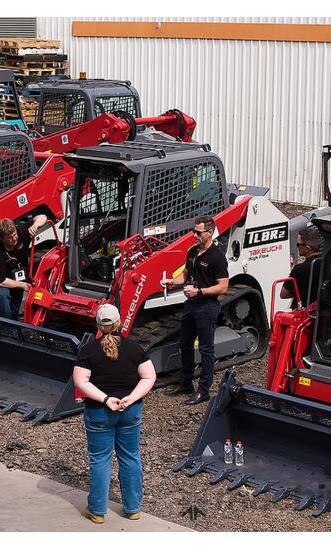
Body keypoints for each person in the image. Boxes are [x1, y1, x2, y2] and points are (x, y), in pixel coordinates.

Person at [73, 304, 156, 524]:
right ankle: (133, 508)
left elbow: (81, 382)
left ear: (98, 325)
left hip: (99, 412)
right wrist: (132, 397)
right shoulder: (134, 348)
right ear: (119, 322)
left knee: (100, 459)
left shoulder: (88, 350)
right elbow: (149, 377)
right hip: (130, 411)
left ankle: (98, 511)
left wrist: (106, 399)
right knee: (130, 456)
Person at [162, 215, 229, 405]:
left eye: (198, 232)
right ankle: (185, 383)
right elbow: (184, 276)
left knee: (207, 349)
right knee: (185, 344)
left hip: (207, 307)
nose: (194, 235)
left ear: (209, 233)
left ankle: (204, 389)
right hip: (191, 306)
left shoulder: (217, 257)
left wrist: (199, 291)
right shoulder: (192, 252)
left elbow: (223, 287)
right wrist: (170, 282)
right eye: (194, 231)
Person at [0, 215, 47, 320]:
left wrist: (35, 225)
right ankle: (4, 326)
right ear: (1, 238)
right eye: (10, 238)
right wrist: (22, 285)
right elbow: (0, 281)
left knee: (16, 299)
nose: (14, 239)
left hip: (17, 273)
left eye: (14, 235)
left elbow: (42, 216)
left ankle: (13, 321)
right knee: (3, 295)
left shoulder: (21, 231)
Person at [281, 226, 323, 308]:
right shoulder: (326, 263)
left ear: (308, 248)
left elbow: (283, 294)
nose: (297, 247)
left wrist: (297, 291)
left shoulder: (299, 269)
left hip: (305, 313)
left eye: (298, 244)